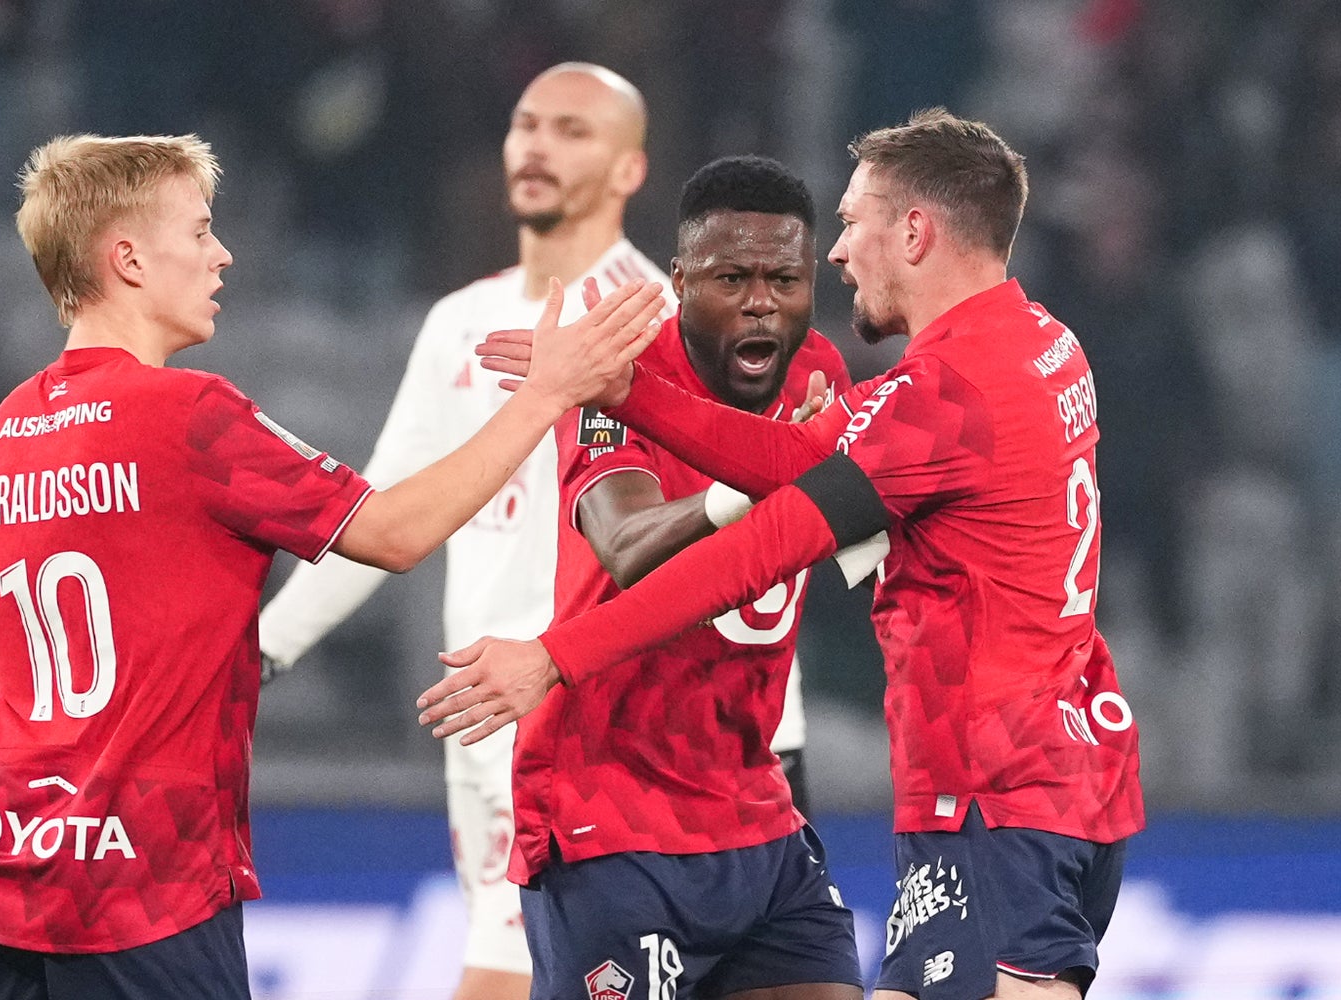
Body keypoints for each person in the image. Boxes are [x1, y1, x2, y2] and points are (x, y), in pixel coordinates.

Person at [0, 132, 665, 999]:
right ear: (129, 258)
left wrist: (84, 649)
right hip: (148, 890)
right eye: (202, 230)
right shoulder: (191, 417)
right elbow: (394, 534)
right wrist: (548, 394)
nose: (223, 254)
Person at [423, 109, 1146, 1000]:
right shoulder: (1046, 344)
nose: (839, 253)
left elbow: (762, 547)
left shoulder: (938, 392)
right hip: (1067, 770)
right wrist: (626, 392)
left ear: (914, 231)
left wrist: (552, 658)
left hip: (994, 793)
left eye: (849, 223)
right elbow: (797, 467)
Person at [255, 63, 701, 999]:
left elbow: (713, 549)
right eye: (525, 123)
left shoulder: (659, 323)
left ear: (630, 170)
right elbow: (374, 511)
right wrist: (263, 648)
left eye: (573, 131)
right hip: (482, 723)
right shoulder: (460, 321)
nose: (538, 145)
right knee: (502, 970)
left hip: (606, 728)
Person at [516, 154, 860, 1000]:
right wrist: (744, 490)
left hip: (752, 808)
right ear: (678, 279)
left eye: (783, 278)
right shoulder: (612, 376)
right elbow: (626, 543)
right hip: (611, 810)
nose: (759, 301)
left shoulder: (821, 373)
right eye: (730, 277)